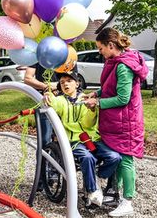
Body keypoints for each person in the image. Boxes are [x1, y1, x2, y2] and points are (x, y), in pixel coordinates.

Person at [84, 27, 149, 217]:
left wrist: (98, 102)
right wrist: (97, 93)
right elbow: (110, 88)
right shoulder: (115, 62)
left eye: (100, 48)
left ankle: (127, 202)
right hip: (118, 122)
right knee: (118, 158)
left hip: (126, 122)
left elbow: (122, 98)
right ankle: (117, 194)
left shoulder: (123, 66)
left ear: (111, 45)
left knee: (126, 160)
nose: (100, 52)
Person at [44, 71, 122, 206]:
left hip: (92, 138)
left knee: (115, 157)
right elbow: (54, 103)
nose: (65, 84)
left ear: (77, 83)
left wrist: (92, 110)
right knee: (87, 157)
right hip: (74, 141)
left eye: (69, 81)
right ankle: (92, 191)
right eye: (62, 83)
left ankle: (98, 176)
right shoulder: (62, 100)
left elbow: (88, 124)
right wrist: (48, 95)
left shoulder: (85, 99)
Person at [23, 62, 55, 189]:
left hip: (64, 103)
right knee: (45, 141)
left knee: (63, 141)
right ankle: (41, 179)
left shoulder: (67, 52)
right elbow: (28, 78)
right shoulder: (38, 53)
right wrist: (46, 87)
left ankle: (55, 174)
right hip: (45, 103)